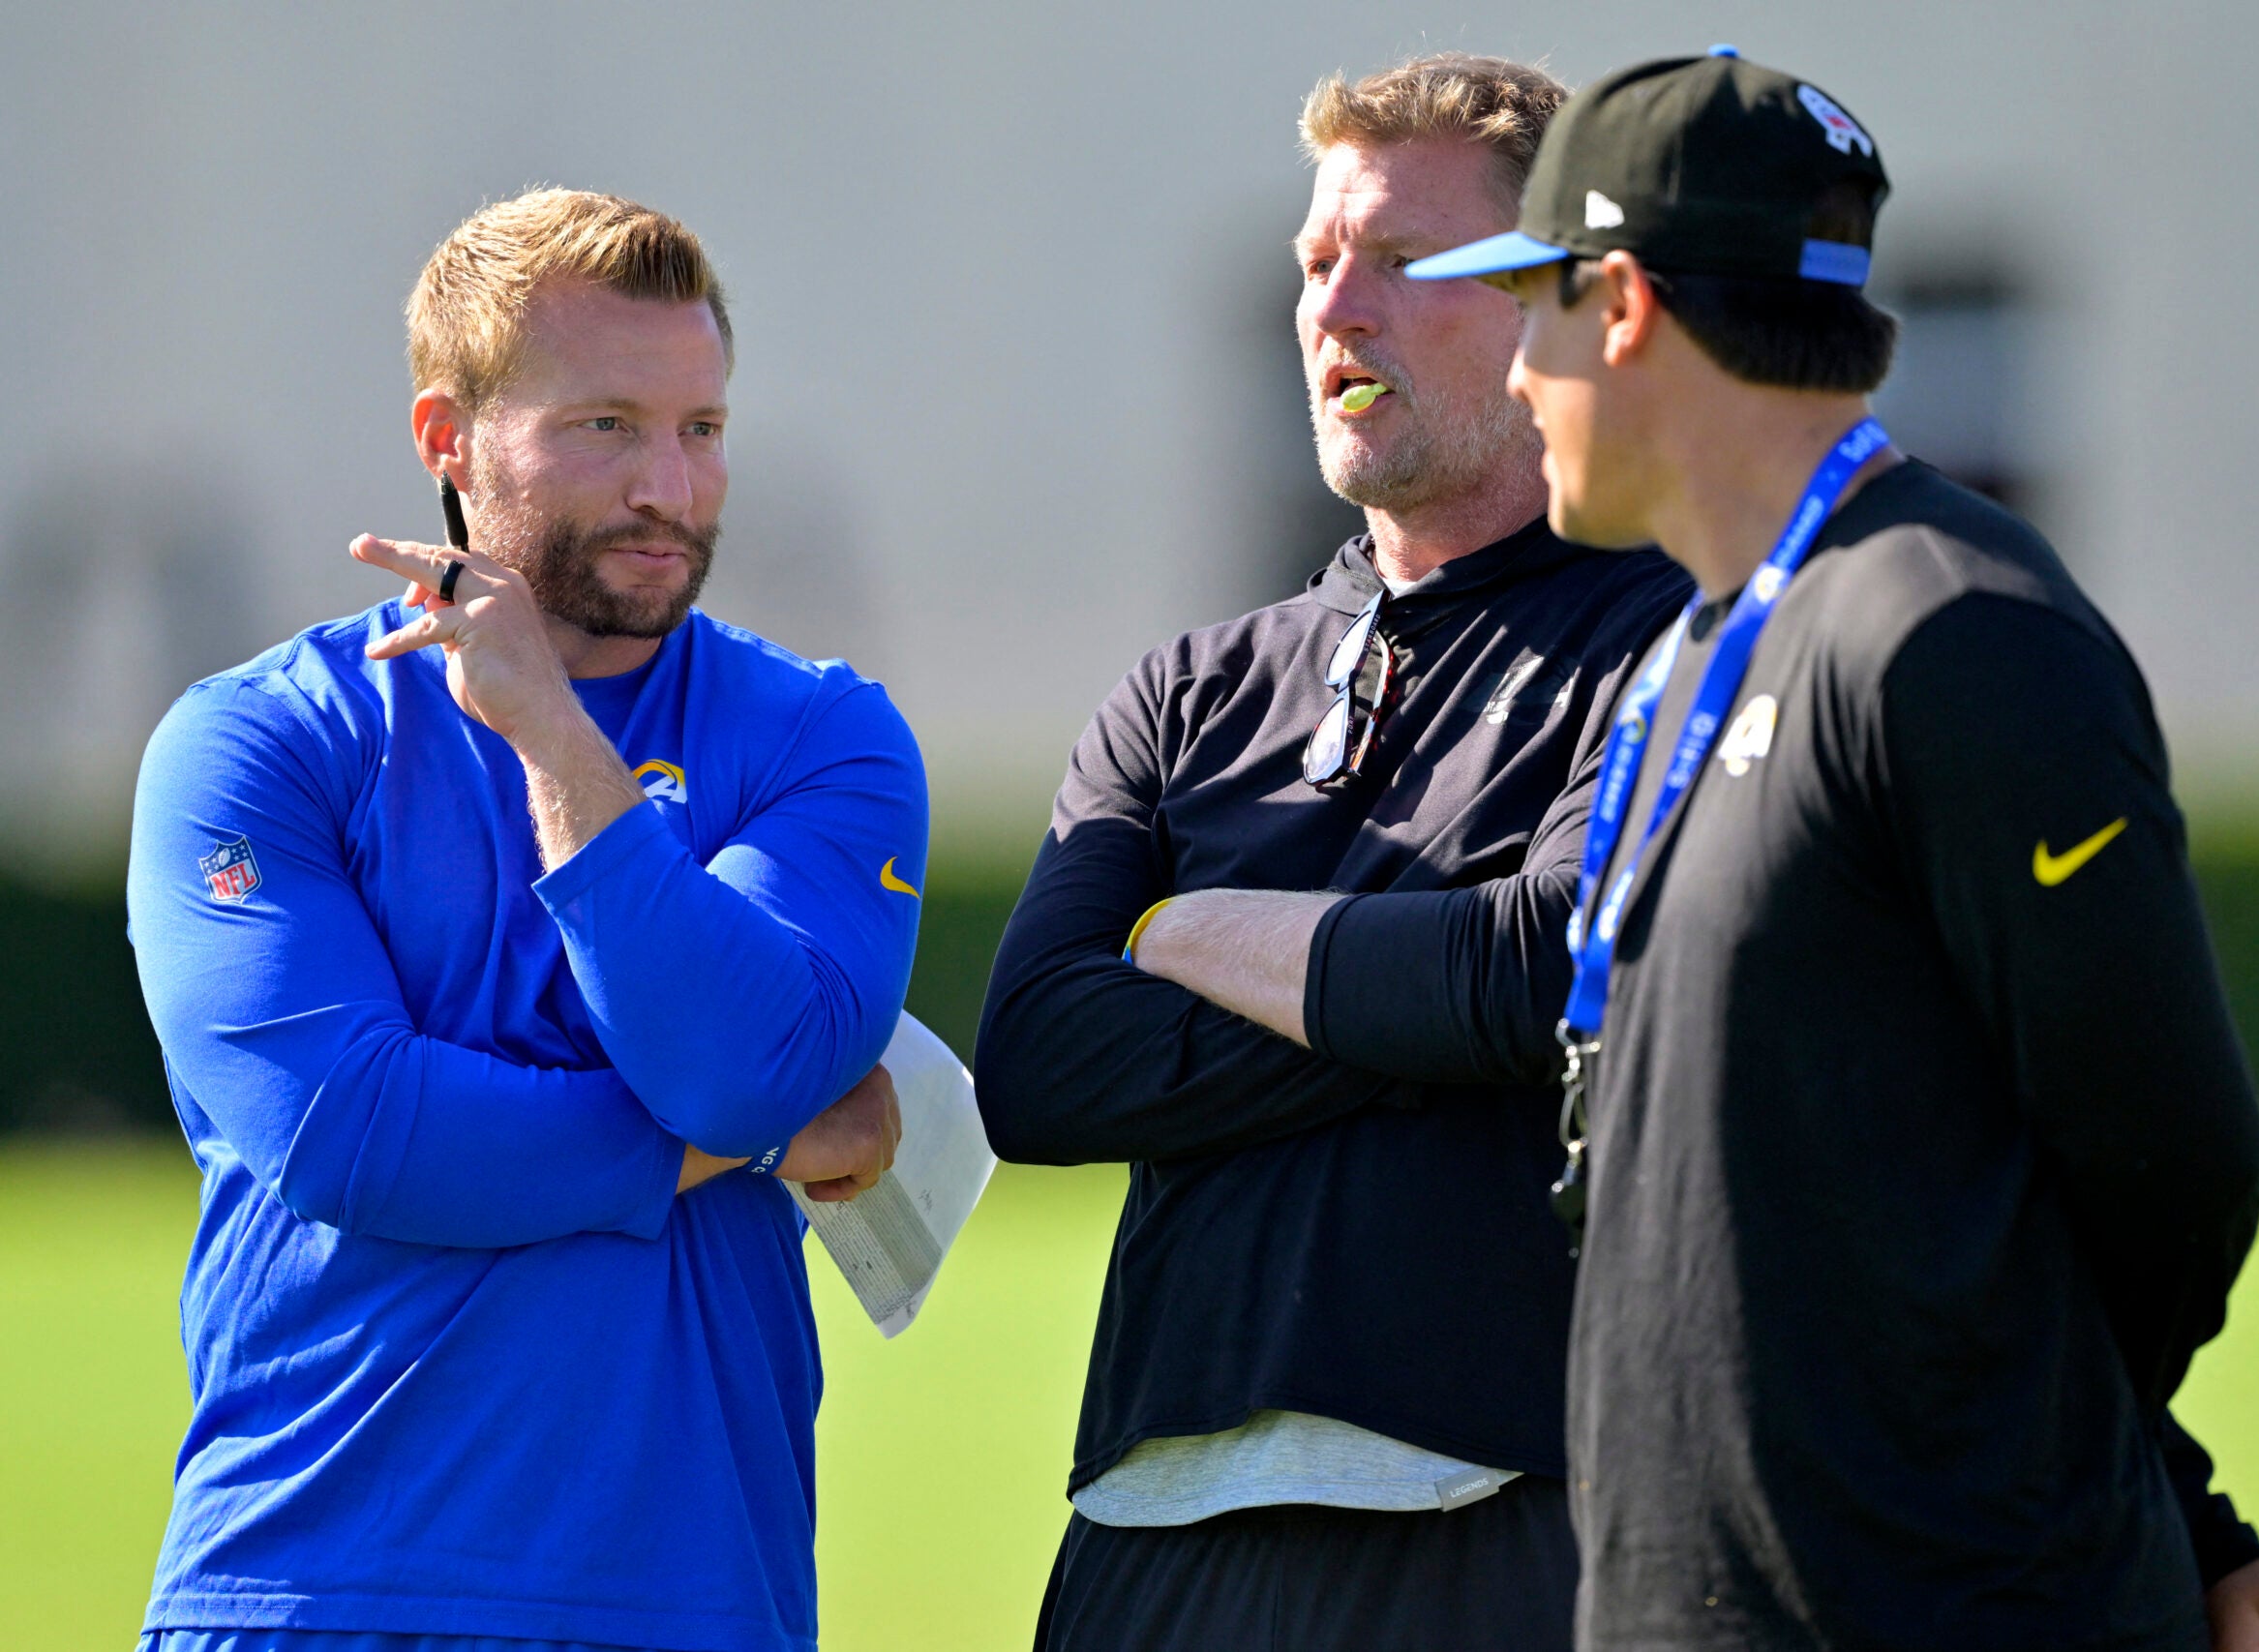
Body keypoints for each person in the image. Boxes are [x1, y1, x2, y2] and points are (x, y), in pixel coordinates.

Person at [1408, 48, 2259, 1652]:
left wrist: (2086, 1487)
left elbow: (2175, 1163)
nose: (1516, 375)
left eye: (1534, 309)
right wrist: (2190, 1506)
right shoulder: (1697, 651)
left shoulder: (1956, 630)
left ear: (1619, 304)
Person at [124, 189, 926, 1652]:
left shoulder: (823, 737)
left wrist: (555, 742)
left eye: (702, 428)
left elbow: (740, 1063)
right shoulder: (253, 744)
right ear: (447, 441)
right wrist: (736, 1146)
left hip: (690, 1602)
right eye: (605, 426)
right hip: (308, 1591)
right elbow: (355, 1137)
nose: (671, 490)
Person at [972, 55, 1695, 1651]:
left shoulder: (1677, 641)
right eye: (1316, 265)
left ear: (1564, 304)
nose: (1334, 309)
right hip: (1144, 1543)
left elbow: (1543, 966)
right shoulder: (1184, 691)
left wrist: (1189, 933)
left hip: (1505, 1531)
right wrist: (1414, 993)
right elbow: (1034, 1068)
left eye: (1403, 260)